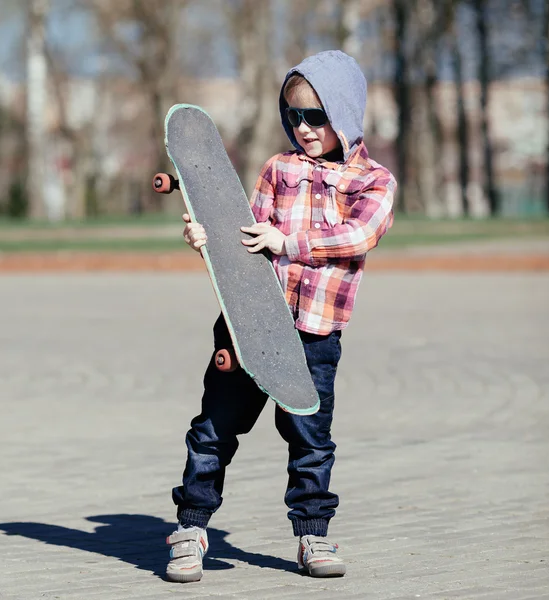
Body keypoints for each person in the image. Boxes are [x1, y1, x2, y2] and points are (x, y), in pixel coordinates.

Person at [166, 50, 396, 583]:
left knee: (310, 439)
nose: (304, 128)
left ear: (344, 112)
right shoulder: (279, 168)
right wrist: (208, 241)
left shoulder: (374, 182)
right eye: (293, 116)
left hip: (315, 335)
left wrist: (288, 242)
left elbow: (358, 237)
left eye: (316, 116)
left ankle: (313, 534)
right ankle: (191, 528)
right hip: (250, 324)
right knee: (213, 430)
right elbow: (247, 242)